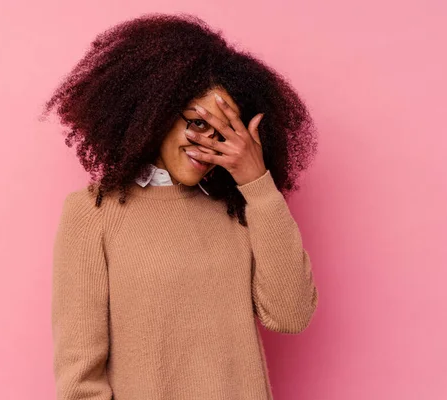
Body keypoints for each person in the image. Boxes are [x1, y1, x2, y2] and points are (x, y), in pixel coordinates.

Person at [44, 12, 319, 400]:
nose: (208, 144)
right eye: (198, 123)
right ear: (155, 112)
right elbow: (79, 379)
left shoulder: (242, 209)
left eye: (225, 132)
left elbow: (291, 315)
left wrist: (258, 185)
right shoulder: (94, 213)